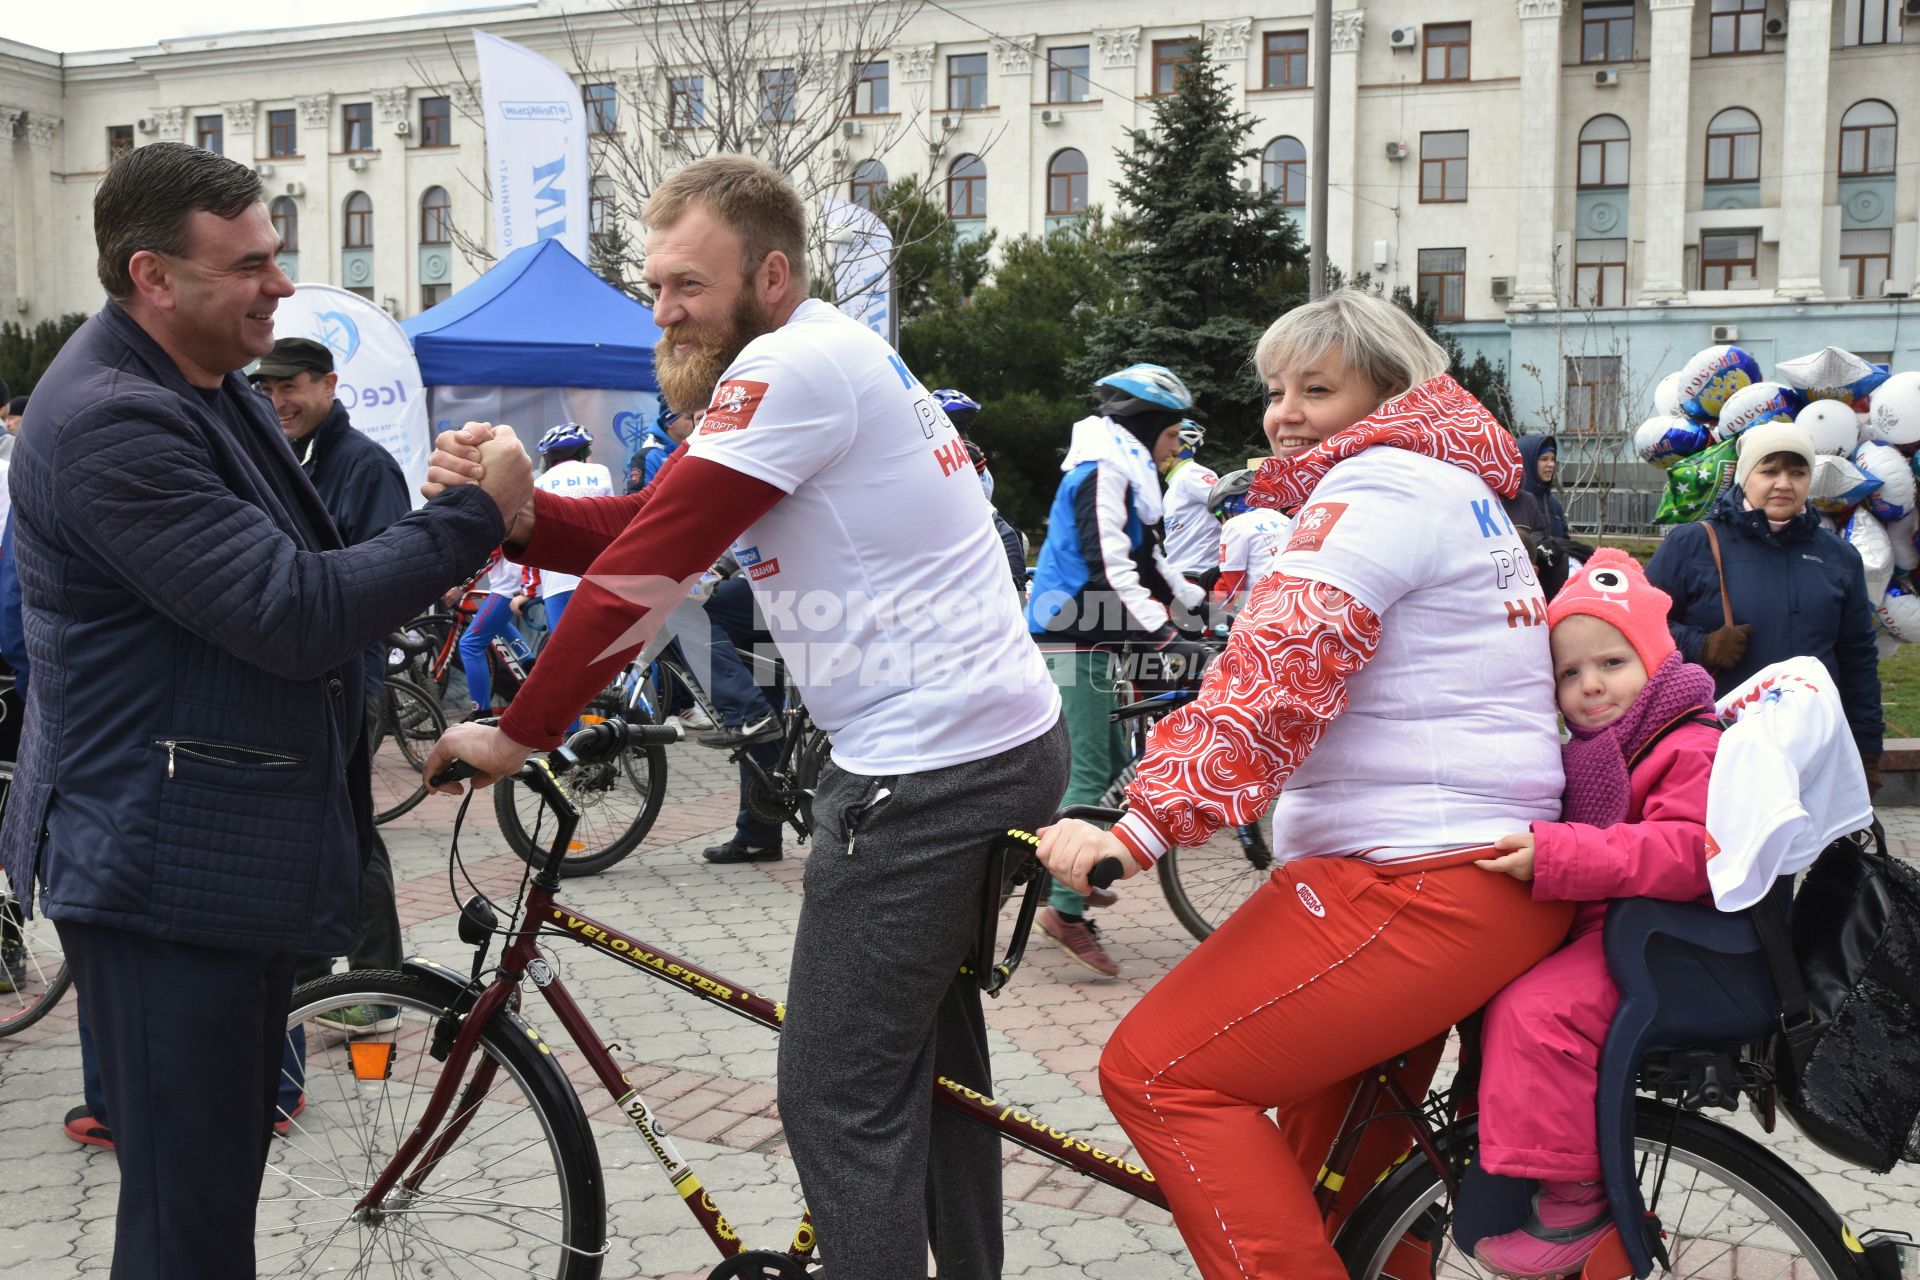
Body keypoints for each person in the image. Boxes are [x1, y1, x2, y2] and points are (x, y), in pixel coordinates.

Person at [420, 154, 1068, 1280]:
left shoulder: (791, 366)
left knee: (834, 1093)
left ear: (771, 275)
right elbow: (645, 529)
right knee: (928, 1068)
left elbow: (646, 576)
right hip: (985, 744)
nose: (664, 311)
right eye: (654, 287)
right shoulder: (814, 359)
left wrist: (519, 730)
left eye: (690, 287)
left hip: (925, 773)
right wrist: (517, 519)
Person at [0, 140, 527, 1278]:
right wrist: (477, 517)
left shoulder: (199, 385)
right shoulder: (109, 416)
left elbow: (308, 557)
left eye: (274, 257)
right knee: (186, 1216)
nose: (280, 286)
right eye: (248, 264)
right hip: (158, 872)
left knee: (216, 1180)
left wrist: (425, 508)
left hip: (210, 859)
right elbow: (289, 608)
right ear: (152, 276)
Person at [1035, 288, 1574, 1280]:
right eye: (1276, 388)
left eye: (1316, 387)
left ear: (1389, 391)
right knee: (1332, 1185)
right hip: (1473, 873)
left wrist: (1137, 827)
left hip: (1416, 882)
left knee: (1158, 1074)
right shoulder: (1450, 483)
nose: (1284, 410)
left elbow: (1278, 674)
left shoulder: (1380, 488)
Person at [1468, 550, 1721, 1279]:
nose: (1590, 687)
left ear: (1656, 656)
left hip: (1669, 942)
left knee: (1537, 1012)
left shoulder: (1687, 741)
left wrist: (1561, 856)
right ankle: (1505, 1150)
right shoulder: (1601, 748)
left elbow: (1687, 851)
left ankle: (1575, 1200)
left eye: (1611, 661)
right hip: (1621, 931)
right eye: (1569, 675)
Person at [250, 335, 414, 1041]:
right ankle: (311, 981)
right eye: (268, 388)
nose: (279, 400)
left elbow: (388, 575)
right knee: (304, 830)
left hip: (348, 676)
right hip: (291, 677)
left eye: (292, 387)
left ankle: (379, 988)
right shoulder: (281, 457)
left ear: (329, 384)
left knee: (349, 829)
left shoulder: (364, 466)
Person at [1025, 362, 1208, 978]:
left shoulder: (1126, 472)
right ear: (1146, 423)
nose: (1177, 445)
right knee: (1093, 775)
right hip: (1069, 639)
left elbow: (1154, 568)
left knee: (1108, 770)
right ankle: (1065, 911)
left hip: (1092, 640)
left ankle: (1061, 872)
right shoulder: (1101, 473)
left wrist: (1205, 608)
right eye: (1174, 432)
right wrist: (1166, 637)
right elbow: (1110, 571)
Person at [1645, 420, 1883, 793]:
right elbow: (1639, 628)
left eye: (1797, 471)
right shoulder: (1692, 545)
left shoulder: (1839, 557)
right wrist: (1700, 645)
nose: (1784, 483)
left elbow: (1857, 658)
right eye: (1769, 470)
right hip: (1714, 744)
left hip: (1811, 750)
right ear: (1745, 475)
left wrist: (1866, 750)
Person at [531, 422, 614, 639]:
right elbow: (613, 523)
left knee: (564, 656)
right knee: (601, 652)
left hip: (556, 582)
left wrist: (529, 590)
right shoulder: (600, 472)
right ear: (584, 451)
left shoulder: (539, 483)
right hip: (599, 575)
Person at [1208, 467, 1291, 616]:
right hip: (1299, 602)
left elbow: (1231, 586)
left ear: (1229, 506)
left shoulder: (1235, 525)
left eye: (1219, 513)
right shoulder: (1284, 519)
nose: (1220, 522)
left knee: (1209, 579)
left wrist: (1210, 626)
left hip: (1266, 612)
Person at [1158, 422, 1221, 589]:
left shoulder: (1192, 473)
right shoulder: (1175, 483)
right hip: (1180, 576)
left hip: (1199, 575)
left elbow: (1228, 505)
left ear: (1179, 446)